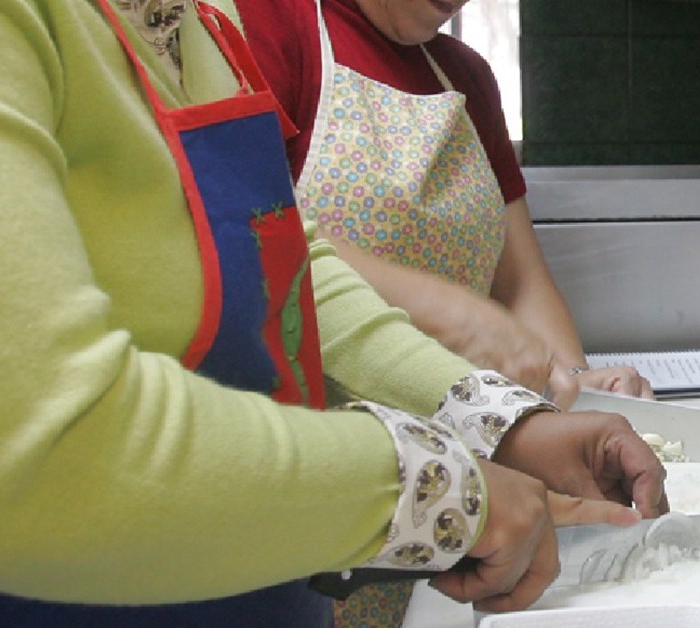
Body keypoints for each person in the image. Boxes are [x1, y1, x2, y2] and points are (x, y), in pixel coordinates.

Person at [0, 1, 669, 626]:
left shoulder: (194, 23)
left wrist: (498, 417)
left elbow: (289, 262)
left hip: (256, 582)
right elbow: (32, 456)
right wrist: (433, 487)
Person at [234, 0, 655, 408]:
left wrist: (577, 383)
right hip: (319, 427)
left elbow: (519, 282)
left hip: (460, 428)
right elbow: (253, 237)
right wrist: (455, 317)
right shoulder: (266, 22)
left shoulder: (468, 77)